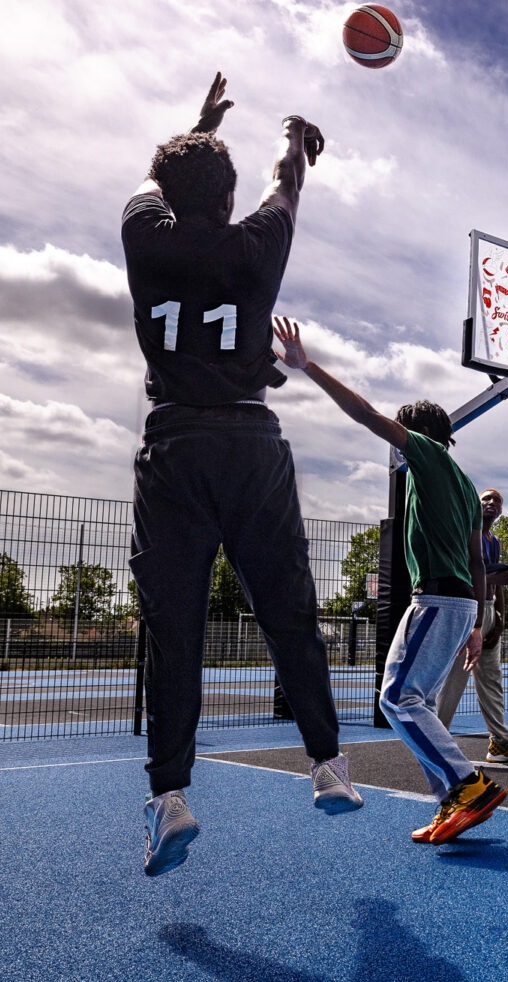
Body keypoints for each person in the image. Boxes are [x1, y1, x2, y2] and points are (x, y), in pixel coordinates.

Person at [122, 74, 361, 878]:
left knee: (175, 627)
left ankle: (171, 799)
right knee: (289, 610)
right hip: (251, 444)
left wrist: (198, 124)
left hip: (177, 444)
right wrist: (294, 139)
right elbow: (284, 185)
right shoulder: (258, 243)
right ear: (228, 199)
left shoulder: (142, 234)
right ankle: (328, 767)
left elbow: (154, 180)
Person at [270, 316, 507, 845]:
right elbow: (478, 558)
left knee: (399, 699)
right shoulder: (468, 488)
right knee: (408, 701)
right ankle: (454, 798)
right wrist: (477, 622)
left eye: (402, 439)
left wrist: (308, 367)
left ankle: (468, 785)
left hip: (440, 599)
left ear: (418, 435)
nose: (397, 449)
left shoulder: (427, 454)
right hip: (461, 603)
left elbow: (364, 413)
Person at [437, 489, 508, 763]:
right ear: (475, 505)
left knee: (491, 680)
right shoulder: (465, 534)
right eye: (487, 499)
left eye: (498, 501)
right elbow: (465, 572)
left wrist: (500, 618)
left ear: (501, 511)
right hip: (467, 610)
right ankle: (435, 742)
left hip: (489, 610)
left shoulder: (494, 540)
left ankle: (500, 744)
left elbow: (495, 583)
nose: (492, 503)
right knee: (455, 680)